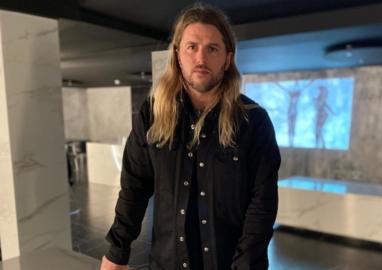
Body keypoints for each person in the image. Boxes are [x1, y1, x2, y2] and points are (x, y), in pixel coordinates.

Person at [100, 3, 281, 270]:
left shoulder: (253, 121)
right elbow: (134, 187)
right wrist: (117, 251)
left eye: (212, 49)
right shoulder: (152, 114)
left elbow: (262, 205)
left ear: (227, 59)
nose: (201, 59)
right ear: (177, 55)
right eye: (192, 47)